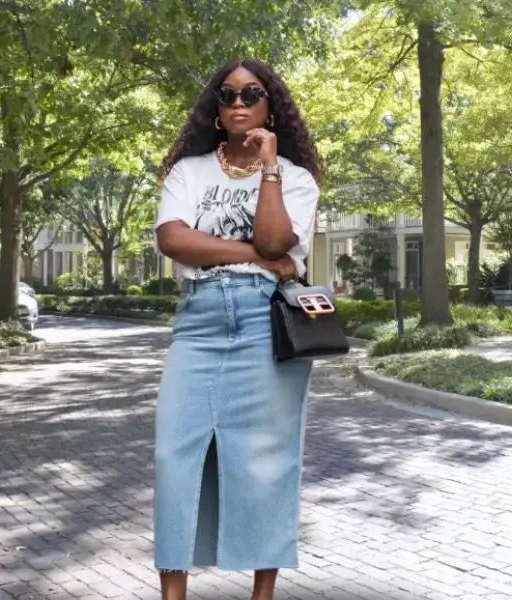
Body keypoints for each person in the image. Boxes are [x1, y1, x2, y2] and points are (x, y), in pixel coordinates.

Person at [152, 58, 321, 600]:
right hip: (199, 322)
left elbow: (278, 244)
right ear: (216, 111)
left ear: (271, 105)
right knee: (174, 455)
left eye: (253, 94)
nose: (240, 103)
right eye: (228, 96)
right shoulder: (189, 172)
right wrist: (253, 253)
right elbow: (175, 241)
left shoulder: (295, 180)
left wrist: (270, 168)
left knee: (266, 463)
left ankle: (262, 595)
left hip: (264, 321)